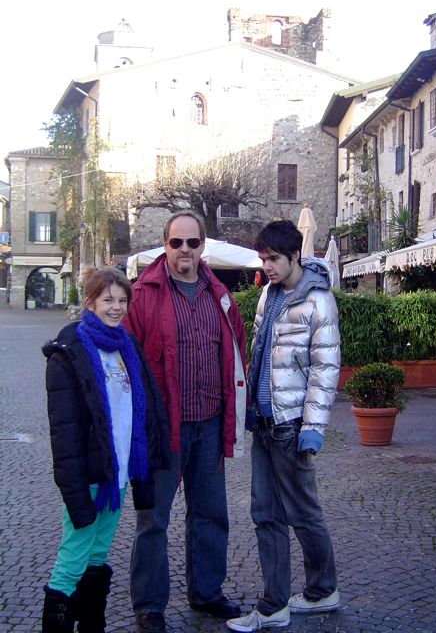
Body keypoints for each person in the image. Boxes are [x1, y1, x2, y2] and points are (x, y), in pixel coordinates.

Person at [123, 211, 247, 633]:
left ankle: (207, 592)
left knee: (211, 513)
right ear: (165, 245)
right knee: (153, 518)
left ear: (202, 246)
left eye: (192, 243)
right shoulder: (143, 295)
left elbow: (235, 352)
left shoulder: (220, 295)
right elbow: (126, 361)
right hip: (164, 427)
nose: (185, 251)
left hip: (209, 422)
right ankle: (150, 604)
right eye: (177, 243)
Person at [227, 219, 341, 632]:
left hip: (292, 426)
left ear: (295, 256)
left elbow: (325, 370)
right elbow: (259, 355)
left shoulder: (318, 301)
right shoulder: (266, 295)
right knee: (265, 513)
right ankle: (276, 604)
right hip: (264, 423)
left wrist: (314, 426)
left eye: (273, 259)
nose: (267, 266)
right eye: (263, 259)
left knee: (304, 514)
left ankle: (320, 590)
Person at [41, 267, 169, 633]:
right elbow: (63, 431)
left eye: (122, 300)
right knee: (73, 557)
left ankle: (92, 623)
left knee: (97, 554)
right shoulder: (69, 352)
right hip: (90, 475)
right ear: (91, 301)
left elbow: (144, 411)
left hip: (119, 473)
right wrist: (73, 484)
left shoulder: (126, 347)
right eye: (108, 299)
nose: (116, 308)